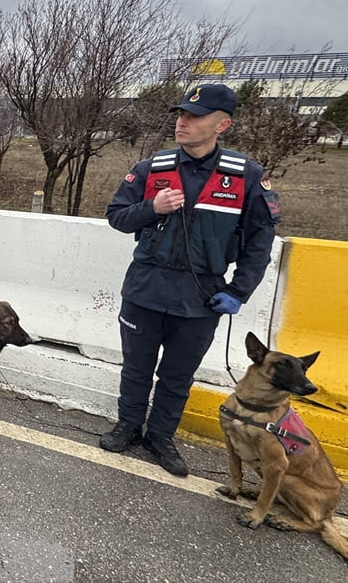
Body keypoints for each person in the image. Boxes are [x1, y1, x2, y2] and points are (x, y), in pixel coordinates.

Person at [100, 83, 281, 477]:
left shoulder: (246, 177)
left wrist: (238, 292)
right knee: (136, 366)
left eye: (194, 117)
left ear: (223, 124)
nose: (183, 122)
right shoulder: (154, 168)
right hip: (146, 288)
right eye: (181, 114)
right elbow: (116, 216)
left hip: (200, 297)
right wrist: (152, 207)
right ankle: (128, 425)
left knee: (178, 374)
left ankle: (160, 435)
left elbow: (259, 243)